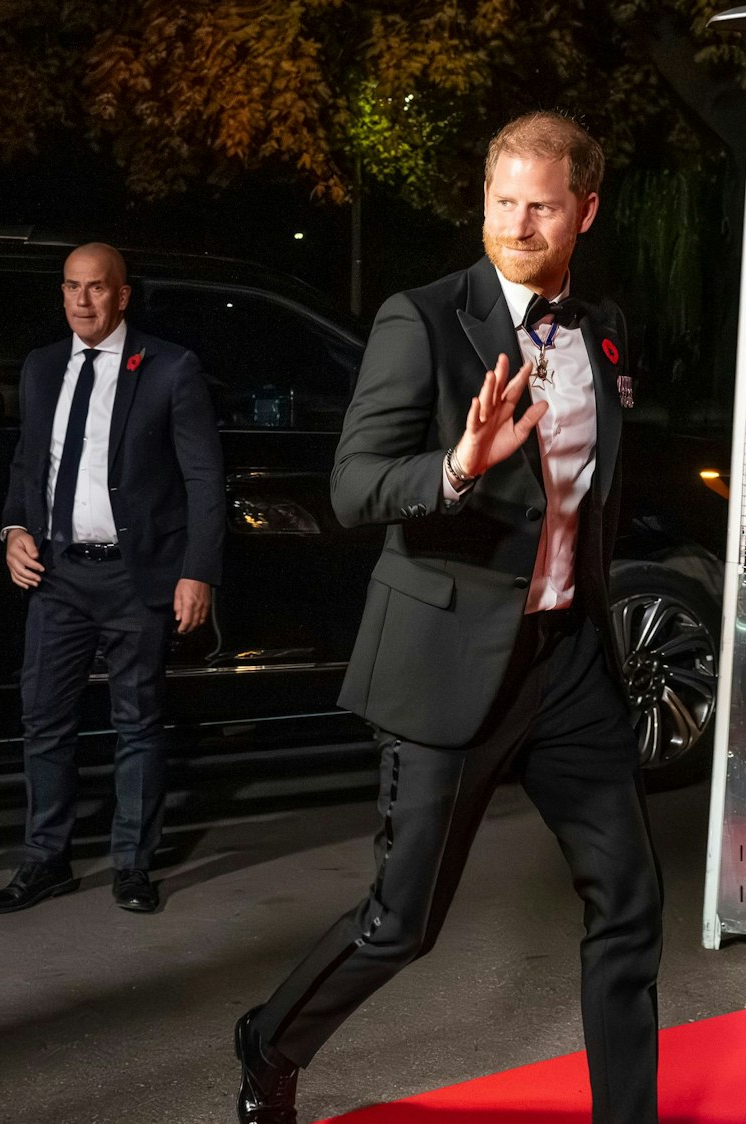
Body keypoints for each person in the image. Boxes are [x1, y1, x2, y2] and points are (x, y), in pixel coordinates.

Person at [234, 112, 663, 1124]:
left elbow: (590, 491)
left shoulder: (602, 325)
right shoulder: (420, 319)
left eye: (543, 205)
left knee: (629, 900)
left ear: (585, 210)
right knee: (400, 922)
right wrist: (460, 467)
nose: (518, 223)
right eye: (502, 201)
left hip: (569, 659)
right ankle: (269, 1039)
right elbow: (351, 488)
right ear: (482, 202)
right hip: (448, 660)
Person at [0, 242, 224, 916]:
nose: (81, 301)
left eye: (96, 288)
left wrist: (195, 572)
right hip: (57, 572)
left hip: (135, 573)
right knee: (45, 722)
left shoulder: (170, 368)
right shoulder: (41, 368)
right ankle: (44, 861)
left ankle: (132, 865)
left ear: (122, 295)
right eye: (71, 287)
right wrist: (13, 530)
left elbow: (204, 479)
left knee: (138, 723)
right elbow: (28, 465)